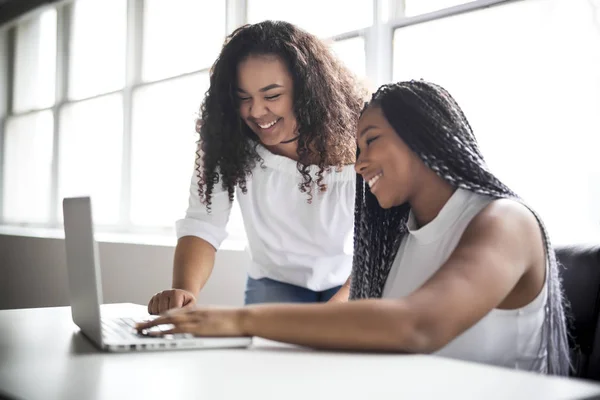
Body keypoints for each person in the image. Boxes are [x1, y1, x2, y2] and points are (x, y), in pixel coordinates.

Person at [138, 80, 571, 375]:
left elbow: (417, 326)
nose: (359, 162)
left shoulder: (505, 221)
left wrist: (237, 321)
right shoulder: (399, 237)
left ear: (425, 136)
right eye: (358, 146)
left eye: (373, 140)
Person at [146, 20, 365, 313]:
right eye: (243, 98)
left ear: (309, 91)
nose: (257, 111)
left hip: (350, 279)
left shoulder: (361, 139)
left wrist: (333, 311)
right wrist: (184, 291)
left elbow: (378, 239)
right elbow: (203, 222)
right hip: (272, 280)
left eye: (272, 96)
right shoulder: (227, 140)